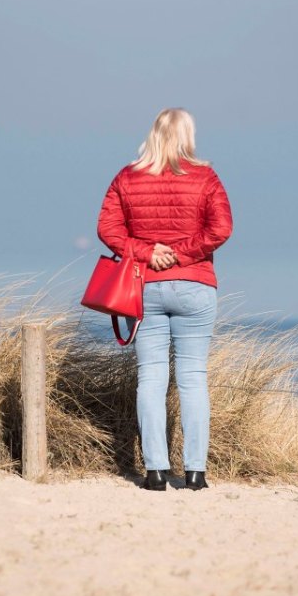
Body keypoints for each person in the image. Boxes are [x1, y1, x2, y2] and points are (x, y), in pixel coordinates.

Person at [96, 108, 233, 491]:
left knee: (150, 380)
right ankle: (195, 473)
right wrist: (184, 253)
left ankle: (154, 472)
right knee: (193, 379)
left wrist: (146, 253)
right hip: (195, 285)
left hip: (144, 287)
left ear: (153, 134)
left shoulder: (127, 176)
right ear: (188, 136)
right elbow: (221, 228)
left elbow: (107, 227)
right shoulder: (205, 177)